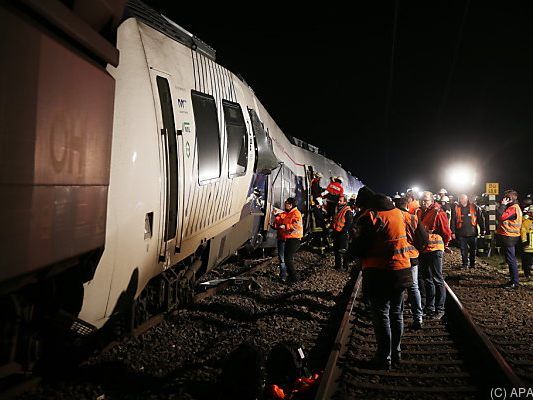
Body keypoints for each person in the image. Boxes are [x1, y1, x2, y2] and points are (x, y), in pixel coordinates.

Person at [352, 191, 413, 370]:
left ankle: (384, 357)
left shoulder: (371, 216)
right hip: (401, 269)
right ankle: (397, 352)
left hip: (379, 272)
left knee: (382, 315)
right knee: (396, 313)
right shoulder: (397, 213)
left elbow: (362, 245)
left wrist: (351, 252)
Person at [416, 191, 452, 320]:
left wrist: (445, 244)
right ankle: (430, 308)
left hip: (435, 249)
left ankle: (440, 309)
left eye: (426, 200)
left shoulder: (438, 212)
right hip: (424, 249)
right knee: (427, 279)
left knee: (437, 279)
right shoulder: (419, 212)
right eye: (422, 200)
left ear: (432, 201)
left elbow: (446, 231)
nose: (423, 202)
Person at [396, 197, 429, 330]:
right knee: (414, 287)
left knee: (398, 287)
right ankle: (418, 318)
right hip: (412, 256)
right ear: (407, 205)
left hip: (397, 257)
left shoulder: (393, 218)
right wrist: (418, 249)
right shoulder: (413, 218)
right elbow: (424, 237)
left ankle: (398, 318)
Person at [496, 190, 523, 288]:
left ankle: (514, 282)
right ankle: (513, 280)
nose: (503, 199)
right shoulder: (517, 207)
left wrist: (503, 205)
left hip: (509, 236)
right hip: (512, 236)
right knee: (511, 258)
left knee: (511, 259)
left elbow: (500, 216)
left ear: (509, 199)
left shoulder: (512, 208)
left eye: (506, 197)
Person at [451, 194, 486, 269]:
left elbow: (480, 219)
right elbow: (453, 221)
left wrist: (483, 229)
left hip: (472, 233)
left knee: (473, 250)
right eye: (461, 199)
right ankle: (465, 264)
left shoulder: (474, 207)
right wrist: (453, 232)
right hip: (461, 233)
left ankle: (472, 264)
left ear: (467, 199)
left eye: (463, 199)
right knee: (464, 250)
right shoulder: (457, 208)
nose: (461, 200)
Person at [273, 197, 303, 283]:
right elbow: (280, 223)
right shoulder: (288, 213)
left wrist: (286, 226)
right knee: (287, 259)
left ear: (290, 205)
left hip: (294, 238)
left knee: (287, 259)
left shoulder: (296, 213)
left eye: (286, 203)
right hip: (288, 238)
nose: (284, 205)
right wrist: (276, 217)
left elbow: (296, 225)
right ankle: (291, 277)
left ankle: (294, 278)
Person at [331, 195, 353, 271]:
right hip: (337, 232)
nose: (338, 202)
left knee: (343, 251)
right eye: (338, 200)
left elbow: (349, 224)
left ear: (345, 202)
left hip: (343, 234)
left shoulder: (348, 211)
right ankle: (338, 266)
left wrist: (343, 232)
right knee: (336, 250)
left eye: (340, 201)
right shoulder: (338, 208)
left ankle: (345, 267)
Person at [521, 206, 533, 280]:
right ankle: (527, 275)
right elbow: (523, 232)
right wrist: (524, 241)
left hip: (528, 246)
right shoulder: (526, 222)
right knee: (526, 262)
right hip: (528, 247)